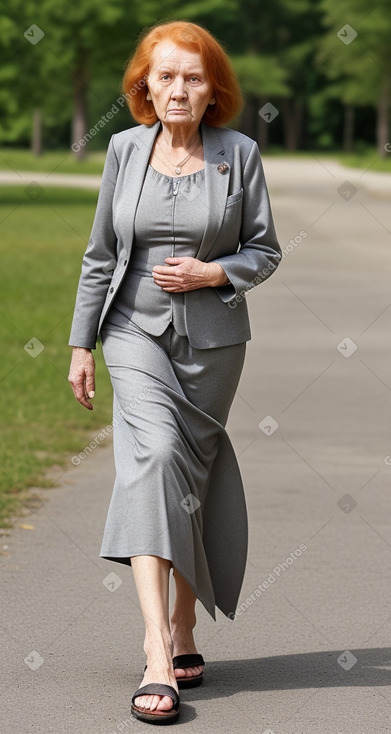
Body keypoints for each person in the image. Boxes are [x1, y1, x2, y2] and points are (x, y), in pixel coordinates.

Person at [68, 19, 281, 725]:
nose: (178, 89)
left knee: (190, 473)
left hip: (214, 344)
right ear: (144, 86)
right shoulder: (125, 150)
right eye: (165, 76)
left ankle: (187, 627)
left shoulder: (238, 154)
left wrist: (213, 270)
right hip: (131, 330)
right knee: (155, 456)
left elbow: (264, 250)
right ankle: (157, 650)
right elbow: (101, 254)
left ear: (212, 86)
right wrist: (80, 344)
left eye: (192, 76)